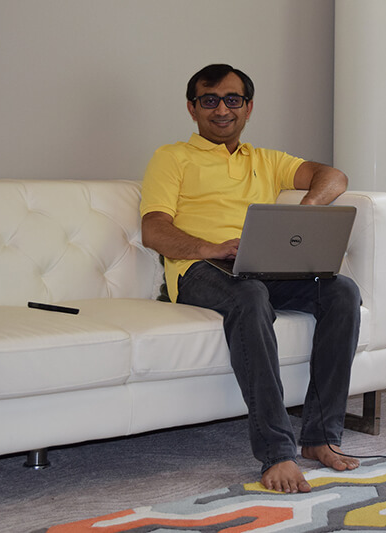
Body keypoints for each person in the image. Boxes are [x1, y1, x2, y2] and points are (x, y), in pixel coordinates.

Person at [139, 64, 361, 494]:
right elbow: (153, 230)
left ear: (248, 107)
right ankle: (277, 452)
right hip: (199, 270)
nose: (222, 109)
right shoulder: (172, 157)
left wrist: (307, 208)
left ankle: (319, 437)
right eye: (209, 100)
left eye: (232, 100)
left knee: (342, 291)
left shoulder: (266, 160)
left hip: (260, 264)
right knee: (251, 295)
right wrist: (212, 247)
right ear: (192, 108)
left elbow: (333, 176)